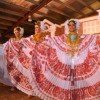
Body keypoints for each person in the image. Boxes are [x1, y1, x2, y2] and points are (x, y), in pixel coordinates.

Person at [2, 19, 100, 100]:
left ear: (76, 26)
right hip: (67, 59)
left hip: (77, 59)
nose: (71, 27)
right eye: (69, 25)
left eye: (73, 25)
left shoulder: (81, 36)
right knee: (68, 78)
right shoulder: (63, 36)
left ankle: (77, 93)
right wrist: (45, 42)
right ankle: (68, 93)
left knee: (77, 76)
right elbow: (53, 40)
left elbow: (92, 38)